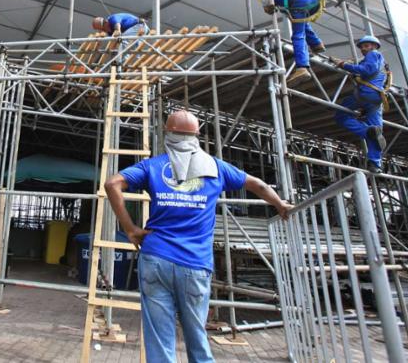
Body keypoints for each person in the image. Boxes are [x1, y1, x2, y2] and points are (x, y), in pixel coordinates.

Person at [103, 110, 292, 362]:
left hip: (156, 257)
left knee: (160, 340)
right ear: (197, 135)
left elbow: (112, 183)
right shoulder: (216, 167)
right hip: (195, 263)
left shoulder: (153, 165)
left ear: (167, 134)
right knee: (196, 336)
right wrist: (280, 205)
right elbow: (257, 184)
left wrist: (130, 229)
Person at [330, 35, 389, 173]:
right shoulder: (383, 64)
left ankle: (365, 131)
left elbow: (368, 70)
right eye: (362, 46)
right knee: (376, 129)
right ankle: (375, 164)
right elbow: (366, 71)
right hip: (377, 99)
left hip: (366, 94)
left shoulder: (374, 55)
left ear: (374, 46)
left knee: (341, 115)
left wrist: (345, 65)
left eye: (366, 45)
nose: (363, 49)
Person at [257, 0, 326, 85]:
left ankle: (302, 68)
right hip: (313, 0)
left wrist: (267, 7)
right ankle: (316, 43)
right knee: (301, 22)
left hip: (301, 1)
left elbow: (268, 8)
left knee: (298, 35)